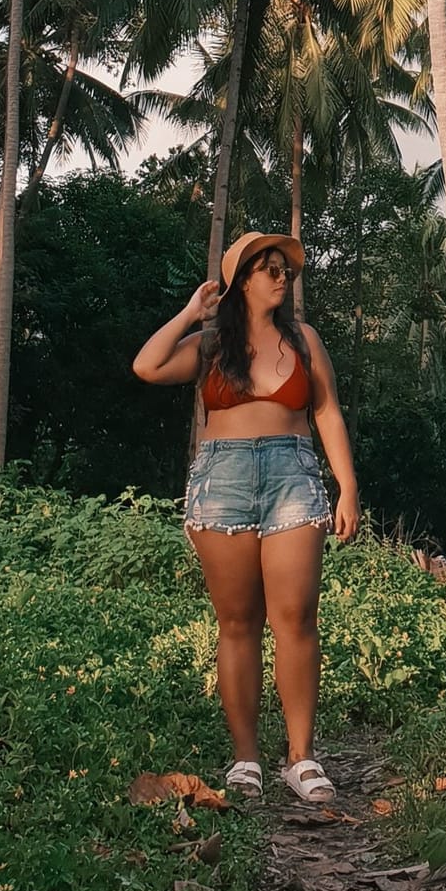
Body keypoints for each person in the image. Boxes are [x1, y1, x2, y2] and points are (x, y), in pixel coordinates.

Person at [131, 231, 360, 804]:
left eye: (285, 269)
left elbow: (327, 411)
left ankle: (301, 758)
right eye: (269, 269)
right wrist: (191, 310)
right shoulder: (210, 346)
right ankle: (245, 759)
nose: (281, 277)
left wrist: (348, 486)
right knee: (237, 623)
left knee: (296, 617)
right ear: (242, 282)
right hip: (222, 480)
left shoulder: (304, 340)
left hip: (294, 476)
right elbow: (147, 366)